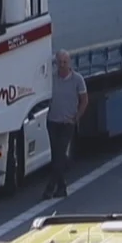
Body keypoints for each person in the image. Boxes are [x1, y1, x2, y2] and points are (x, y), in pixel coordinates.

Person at [44, 50, 89, 199]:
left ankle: (50, 186)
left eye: (65, 62)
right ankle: (61, 187)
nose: (62, 65)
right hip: (52, 122)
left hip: (67, 123)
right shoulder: (52, 79)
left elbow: (84, 100)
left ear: (69, 63)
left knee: (61, 154)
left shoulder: (77, 79)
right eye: (60, 62)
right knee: (56, 155)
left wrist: (76, 117)